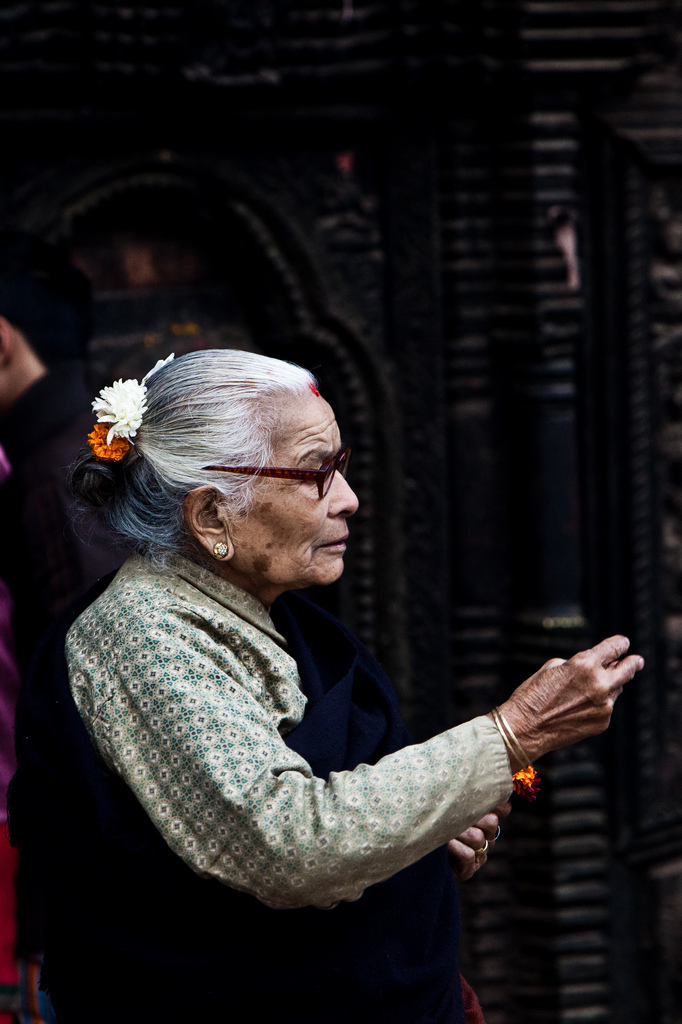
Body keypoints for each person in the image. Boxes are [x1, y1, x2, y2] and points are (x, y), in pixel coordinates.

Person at [9, 349, 643, 1024]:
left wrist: (423, 831)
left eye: (341, 466)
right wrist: (514, 733)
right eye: (318, 473)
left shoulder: (263, 612)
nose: (349, 499)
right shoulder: (141, 637)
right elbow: (289, 844)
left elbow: (325, 800)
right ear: (212, 519)